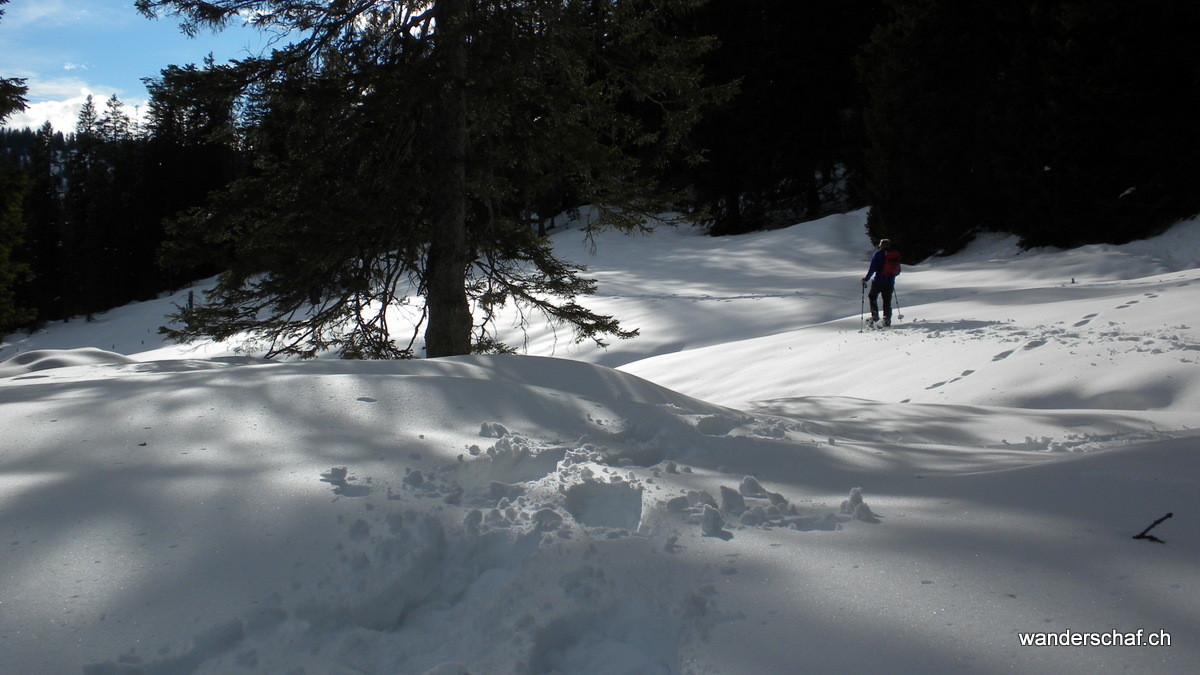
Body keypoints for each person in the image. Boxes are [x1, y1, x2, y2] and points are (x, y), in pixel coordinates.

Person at [861, 238, 897, 327]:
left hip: (878, 281)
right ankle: (887, 319)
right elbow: (898, 270)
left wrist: (866, 279)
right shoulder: (894, 255)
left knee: (872, 297)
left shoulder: (878, 254)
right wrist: (891, 276)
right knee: (887, 301)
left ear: (881, 245)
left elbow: (872, 268)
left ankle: (875, 317)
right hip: (890, 282)